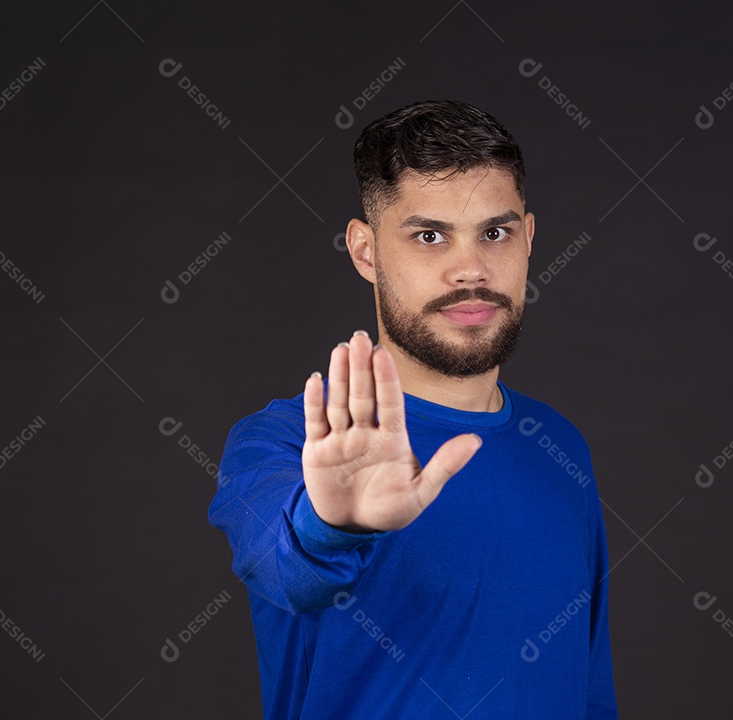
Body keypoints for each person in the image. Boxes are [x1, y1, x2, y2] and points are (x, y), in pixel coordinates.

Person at [208, 99, 617, 719]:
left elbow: (590, 695)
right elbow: (285, 570)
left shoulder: (559, 447)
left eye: (495, 232)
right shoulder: (279, 442)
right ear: (365, 252)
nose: (471, 269)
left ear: (529, 239)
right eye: (430, 236)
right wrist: (334, 525)